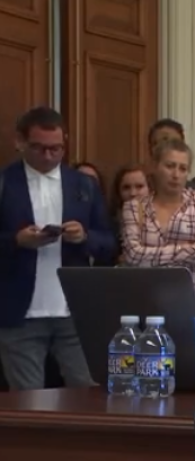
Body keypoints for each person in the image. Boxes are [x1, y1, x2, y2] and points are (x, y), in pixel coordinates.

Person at [0, 106, 115, 390]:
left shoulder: (84, 185)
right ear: (20, 142)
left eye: (56, 149)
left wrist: (84, 237)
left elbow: (109, 242)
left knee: (88, 396)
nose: (49, 155)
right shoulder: (5, 183)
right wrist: (17, 241)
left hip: (74, 311)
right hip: (19, 312)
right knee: (28, 402)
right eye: (39, 148)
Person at [121, 139, 195, 316]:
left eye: (183, 168)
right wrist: (188, 249)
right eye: (170, 166)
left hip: (193, 303)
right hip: (146, 304)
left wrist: (150, 255)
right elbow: (133, 256)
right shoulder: (134, 207)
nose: (176, 174)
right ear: (155, 167)